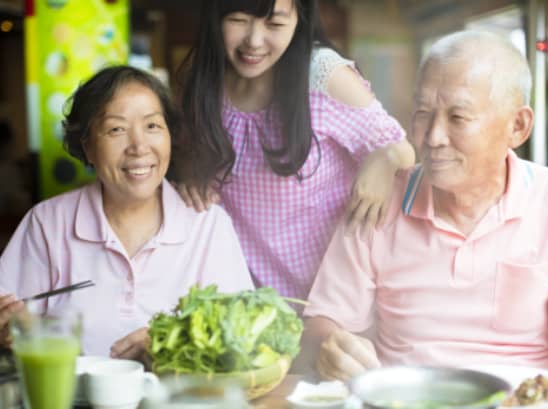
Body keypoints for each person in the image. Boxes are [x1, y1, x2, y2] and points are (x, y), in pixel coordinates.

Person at [299, 30, 548, 380]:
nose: (433, 137)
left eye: (458, 118)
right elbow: (325, 321)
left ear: (518, 126)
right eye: (423, 112)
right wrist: (329, 347)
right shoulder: (379, 202)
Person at [0, 66, 254, 358]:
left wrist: (172, 343)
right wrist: (6, 329)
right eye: (116, 129)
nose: (138, 147)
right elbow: (14, 325)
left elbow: (241, 334)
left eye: (152, 126)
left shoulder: (207, 224)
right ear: (87, 147)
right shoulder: (47, 223)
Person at [175, 0, 415, 300]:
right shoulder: (205, 81)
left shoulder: (321, 76)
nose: (253, 41)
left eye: (274, 24)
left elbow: (402, 149)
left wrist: (386, 158)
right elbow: (190, 164)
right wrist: (189, 184)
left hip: (336, 301)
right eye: (237, 20)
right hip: (252, 306)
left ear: (299, 19)